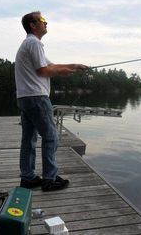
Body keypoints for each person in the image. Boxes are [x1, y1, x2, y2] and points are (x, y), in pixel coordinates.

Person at [15, 11, 88, 191]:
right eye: (43, 21)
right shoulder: (34, 43)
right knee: (51, 137)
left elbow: (51, 66)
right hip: (37, 97)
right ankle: (49, 179)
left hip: (25, 98)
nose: (46, 23)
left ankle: (28, 178)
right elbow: (43, 71)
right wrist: (61, 72)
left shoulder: (30, 44)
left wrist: (74, 66)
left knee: (29, 139)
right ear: (33, 25)